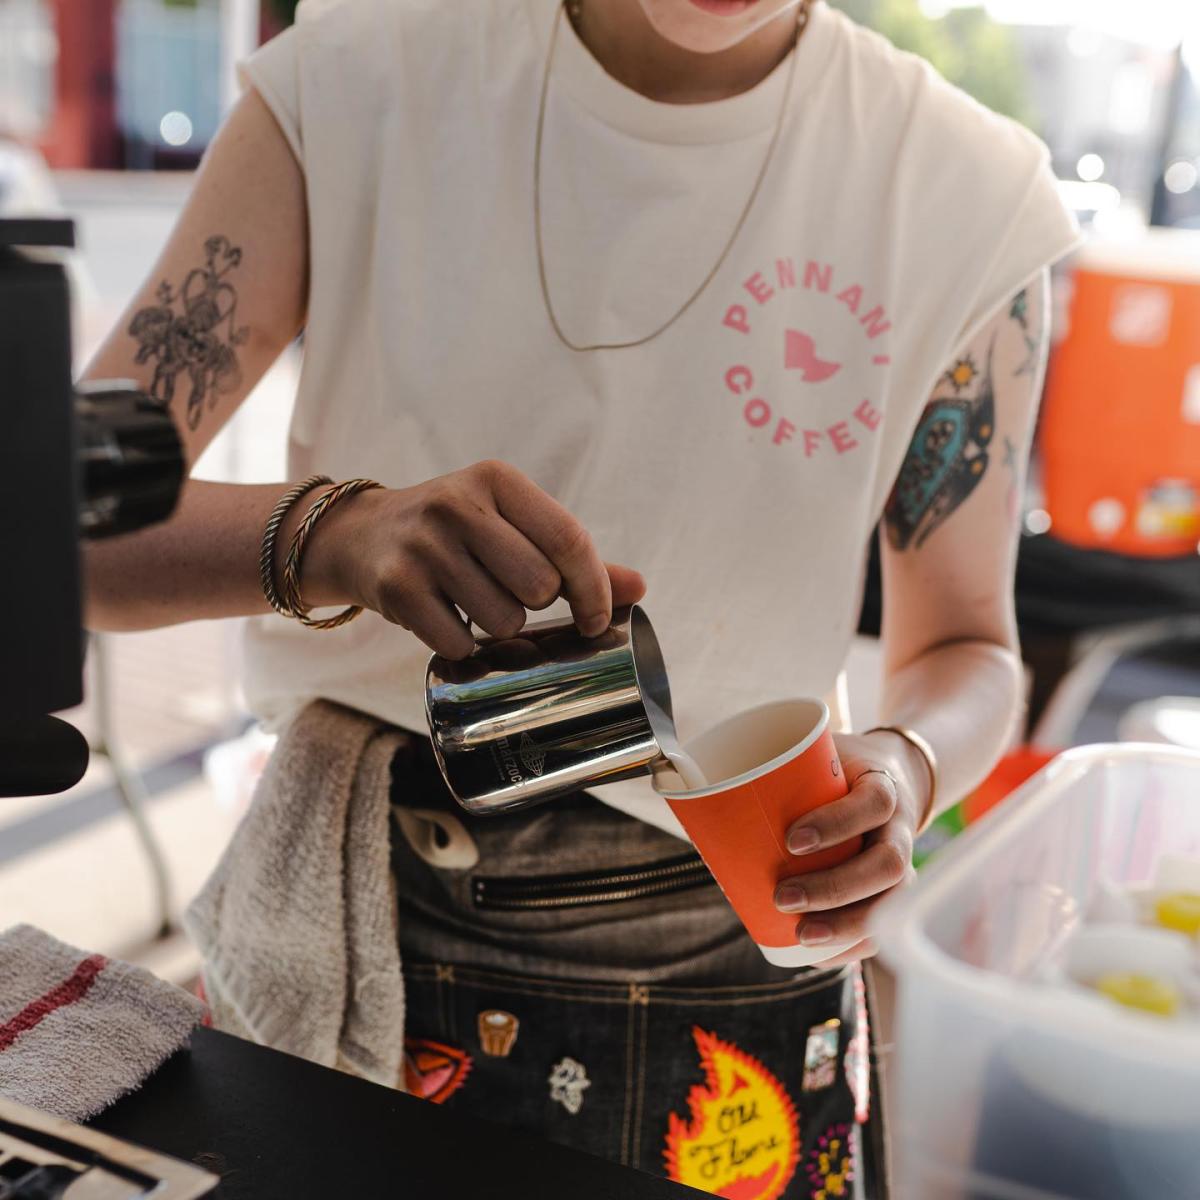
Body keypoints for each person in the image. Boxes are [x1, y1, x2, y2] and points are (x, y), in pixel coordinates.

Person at [83, 0, 1079, 1193]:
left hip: (745, 956)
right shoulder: (350, 89)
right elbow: (73, 533)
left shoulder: (961, 191)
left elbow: (970, 644)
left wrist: (907, 769)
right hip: (374, 927)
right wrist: (333, 534)